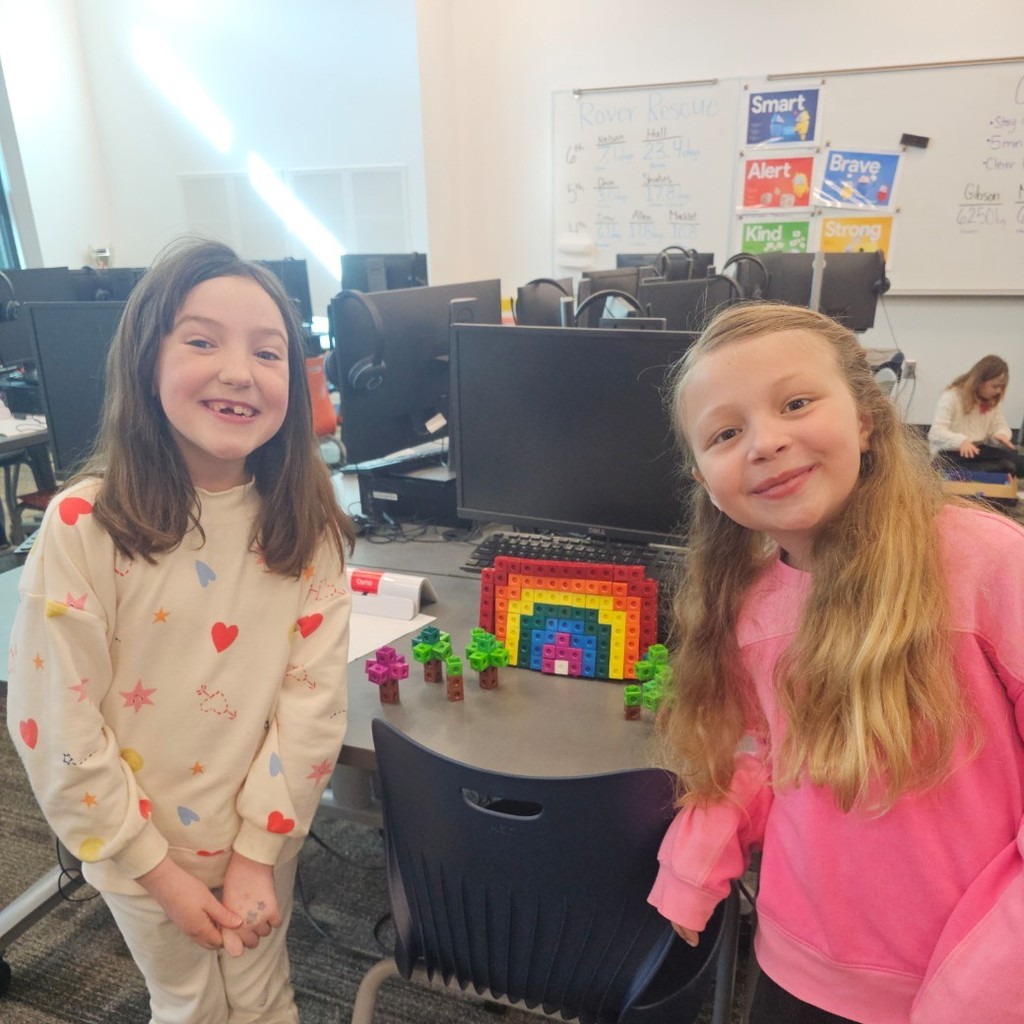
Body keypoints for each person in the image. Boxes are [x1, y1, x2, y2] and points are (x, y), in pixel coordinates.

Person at [6, 238, 355, 1024]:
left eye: (268, 352)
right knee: (189, 1006)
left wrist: (259, 857)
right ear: (145, 362)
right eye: (202, 341)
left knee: (266, 999)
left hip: (261, 842)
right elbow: (55, 722)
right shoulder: (85, 526)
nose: (238, 369)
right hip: (139, 852)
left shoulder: (311, 529)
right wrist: (155, 869)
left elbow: (313, 709)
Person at [648, 303, 1024, 1024]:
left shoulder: (986, 564)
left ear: (866, 420)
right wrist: (699, 851)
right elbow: (766, 752)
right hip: (797, 970)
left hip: (975, 980)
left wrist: (992, 978)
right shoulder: (750, 606)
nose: (765, 443)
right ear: (701, 477)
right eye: (726, 433)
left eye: (796, 403)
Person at [927, 353, 1024, 476]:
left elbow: (999, 425)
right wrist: (961, 441)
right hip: (949, 452)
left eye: (1001, 387)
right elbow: (936, 433)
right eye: (995, 386)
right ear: (980, 381)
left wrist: (1001, 434)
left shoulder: (993, 400)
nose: (998, 391)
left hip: (977, 449)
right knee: (1002, 467)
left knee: (1016, 462)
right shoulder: (952, 397)